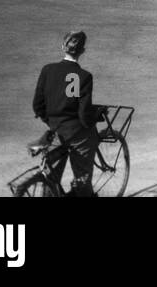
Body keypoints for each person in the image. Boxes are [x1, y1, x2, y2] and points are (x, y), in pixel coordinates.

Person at [32, 31, 97, 197]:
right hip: (76, 133)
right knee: (82, 177)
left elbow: (37, 105)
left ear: (63, 47)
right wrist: (91, 122)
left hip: (55, 130)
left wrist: (51, 121)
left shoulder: (48, 70)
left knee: (52, 175)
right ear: (83, 51)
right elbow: (83, 113)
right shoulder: (84, 76)